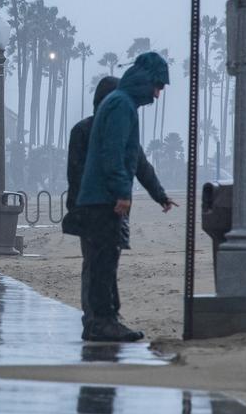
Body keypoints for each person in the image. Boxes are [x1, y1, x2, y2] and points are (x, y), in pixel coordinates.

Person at [64, 75, 177, 340]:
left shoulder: (85, 129)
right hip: (103, 208)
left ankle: (97, 319)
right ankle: (101, 320)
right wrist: (158, 194)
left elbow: (77, 173)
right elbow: (138, 166)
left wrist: (159, 195)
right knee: (101, 264)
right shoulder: (101, 129)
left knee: (95, 263)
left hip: (93, 208)